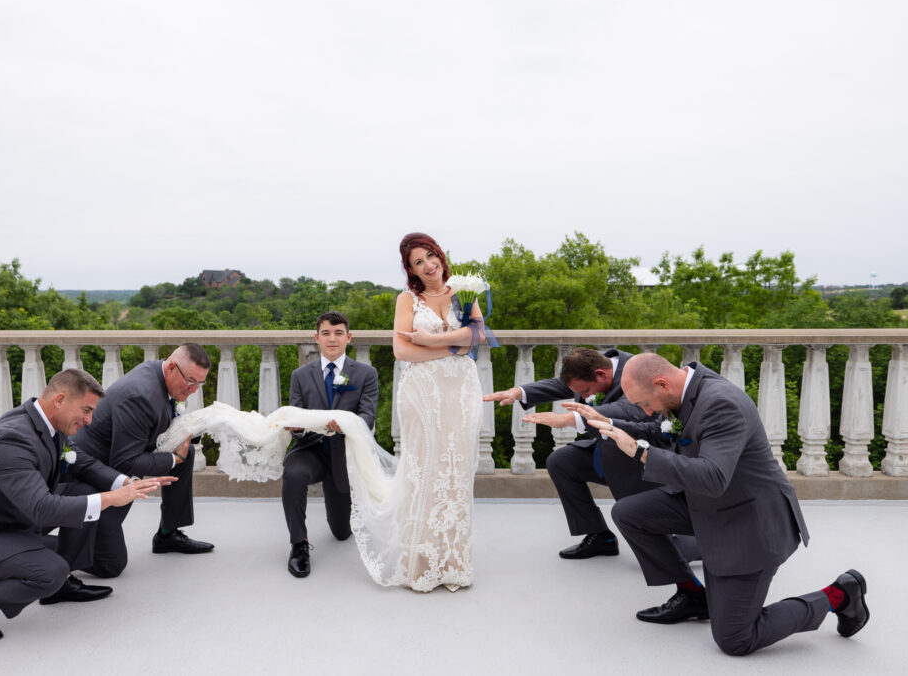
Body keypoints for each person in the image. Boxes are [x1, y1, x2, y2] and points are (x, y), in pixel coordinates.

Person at [587, 353, 869, 656]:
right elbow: (662, 431)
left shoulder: (721, 403)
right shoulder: (681, 393)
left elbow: (713, 477)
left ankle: (839, 595)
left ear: (661, 383)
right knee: (629, 513)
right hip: (707, 506)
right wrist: (611, 423)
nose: (646, 411)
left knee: (735, 639)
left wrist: (641, 453)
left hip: (749, 523)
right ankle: (693, 595)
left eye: (644, 403)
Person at [0, 369, 174, 642]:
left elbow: (82, 462)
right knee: (50, 570)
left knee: (84, 491)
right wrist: (111, 499)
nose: (89, 420)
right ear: (60, 400)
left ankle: (60, 586)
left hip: (12, 520)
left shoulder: (49, 425)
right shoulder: (10, 439)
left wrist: (125, 483)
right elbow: (42, 509)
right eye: (86, 410)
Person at [492, 347, 698, 562]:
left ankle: (703, 545)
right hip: (607, 454)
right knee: (561, 462)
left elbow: (631, 411)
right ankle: (600, 538)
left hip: (639, 464)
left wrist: (573, 418)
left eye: (587, 391)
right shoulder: (594, 365)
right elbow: (562, 384)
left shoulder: (635, 371)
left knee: (669, 553)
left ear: (601, 374)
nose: (583, 396)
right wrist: (519, 392)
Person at [387, 231, 484, 591]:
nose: (428, 265)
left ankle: (454, 562)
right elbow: (402, 352)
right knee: (424, 469)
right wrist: (452, 347)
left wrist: (432, 340)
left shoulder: (464, 293)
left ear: (440, 256)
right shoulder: (407, 299)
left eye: (430, 256)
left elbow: (478, 337)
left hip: (460, 392)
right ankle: (422, 562)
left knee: (457, 470)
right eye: (418, 262)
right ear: (411, 270)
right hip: (422, 395)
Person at [65, 343, 214, 578]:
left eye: (200, 383)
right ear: (172, 368)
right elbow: (126, 461)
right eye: (191, 381)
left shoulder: (159, 373)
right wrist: (174, 459)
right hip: (95, 476)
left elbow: (158, 424)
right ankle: (38, 549)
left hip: (119, 457)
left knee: (188, 454)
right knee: (111, 565)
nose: (194, 389)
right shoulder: (141, 395)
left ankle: (168, 533)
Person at [281, 311, 379, 578]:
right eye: (326, 333)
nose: (332, 338)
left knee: (341, 533)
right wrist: (297, 428)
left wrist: (346, 425)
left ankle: (342, 514)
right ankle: (298, 545)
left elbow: (367, 418)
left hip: (344, 456)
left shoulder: (366, 374)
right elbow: (296, 414)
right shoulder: (300, 375)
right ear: (317, 337)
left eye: (338, 333)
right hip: (310, 450)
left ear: (348, 337)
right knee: (293, 474)